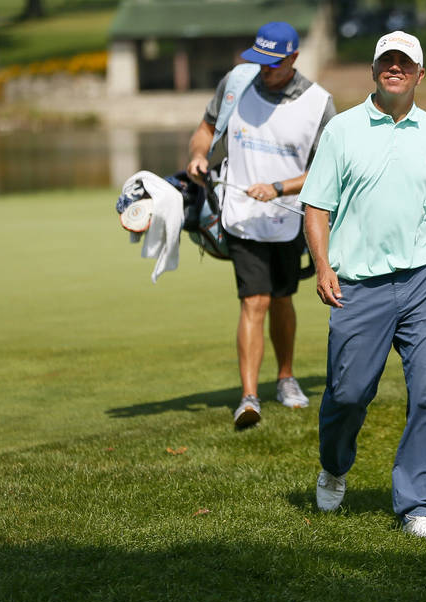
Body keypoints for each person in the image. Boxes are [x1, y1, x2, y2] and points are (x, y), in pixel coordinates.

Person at [299, 31, 426, 538]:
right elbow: (316, 208)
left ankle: (416, 506)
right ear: (374, 70)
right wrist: (323, 264)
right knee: (349, 394)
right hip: (358, 285)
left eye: (405, 63)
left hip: (422, 279)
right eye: (386, 61)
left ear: (420, 75)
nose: (394, 68)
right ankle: (334, 467)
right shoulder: (343, 131)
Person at [187, 22, 336, 429]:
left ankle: (285, 377)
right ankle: (248, 397)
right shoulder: (236, 83)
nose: (264, 70)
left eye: (273, 64)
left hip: (288, 221)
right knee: (255, 301)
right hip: (239, 216)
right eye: (260, 61)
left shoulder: (318, 103)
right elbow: (205, 129)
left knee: (283, 298)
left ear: (293, 59)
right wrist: (200, 155)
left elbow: (328, 171)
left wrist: (279, 187)